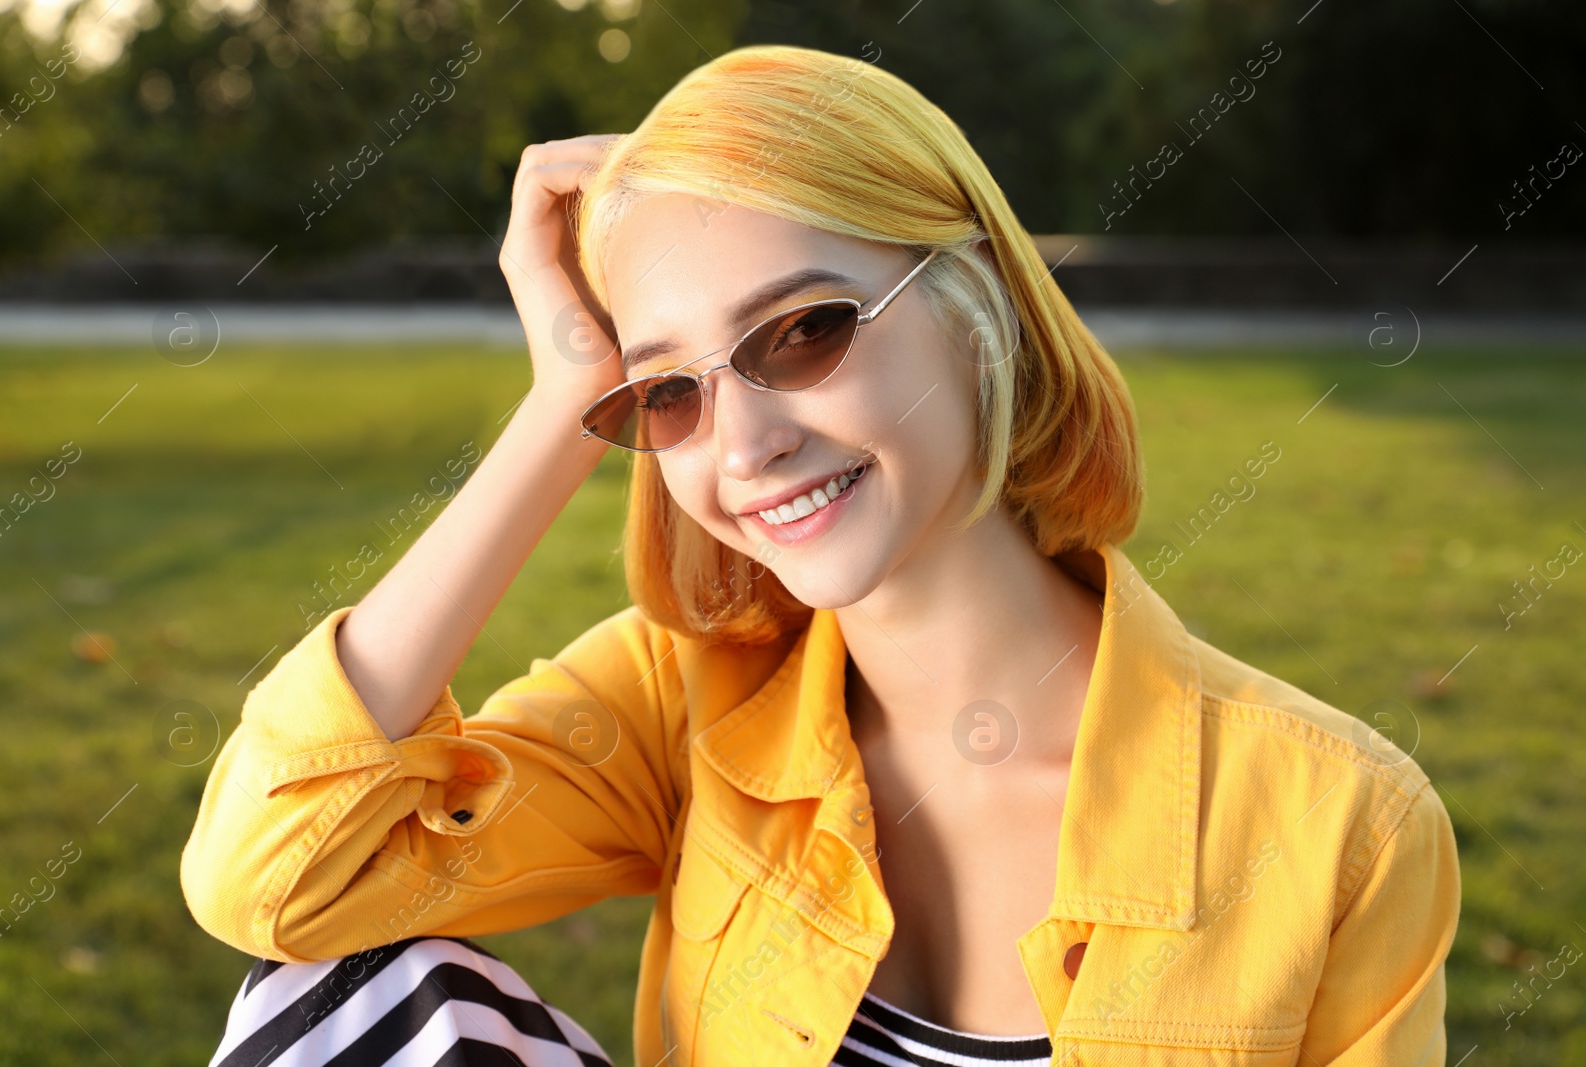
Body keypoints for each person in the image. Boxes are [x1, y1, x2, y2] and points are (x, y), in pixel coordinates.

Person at [181, 43, 1461, 1067]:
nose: (743, 443)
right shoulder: (676, 700)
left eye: (800, 332)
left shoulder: (1337, 819)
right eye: (664, 391)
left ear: (981, 311)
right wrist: (560, 400)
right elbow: (283, 884)